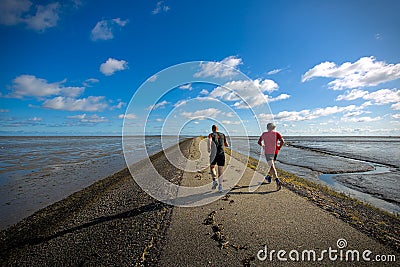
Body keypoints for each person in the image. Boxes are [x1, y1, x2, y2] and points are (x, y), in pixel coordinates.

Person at [258, 122, 285, 190]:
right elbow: (282, 141)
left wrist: (263, 146)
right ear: (274, 128)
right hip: (275, 151)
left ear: (267, 128)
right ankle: (269, 177)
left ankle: (277, 179)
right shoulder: (277, 134)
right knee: (271, 165)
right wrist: (279, 147)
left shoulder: (264, 134)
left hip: (268, 152)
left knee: (272, 166)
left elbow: (259, 142)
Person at [208, 125, 229, 193]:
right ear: (217, 129)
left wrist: (209, 149)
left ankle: (214, 180)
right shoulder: (223, 135)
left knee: (212, 167)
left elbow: (209, 141)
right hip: (221, 154)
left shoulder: (211, 135)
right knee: (220, 170)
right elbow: (227, 145)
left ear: (212, 129)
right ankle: (220, 187)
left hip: (214, 154)